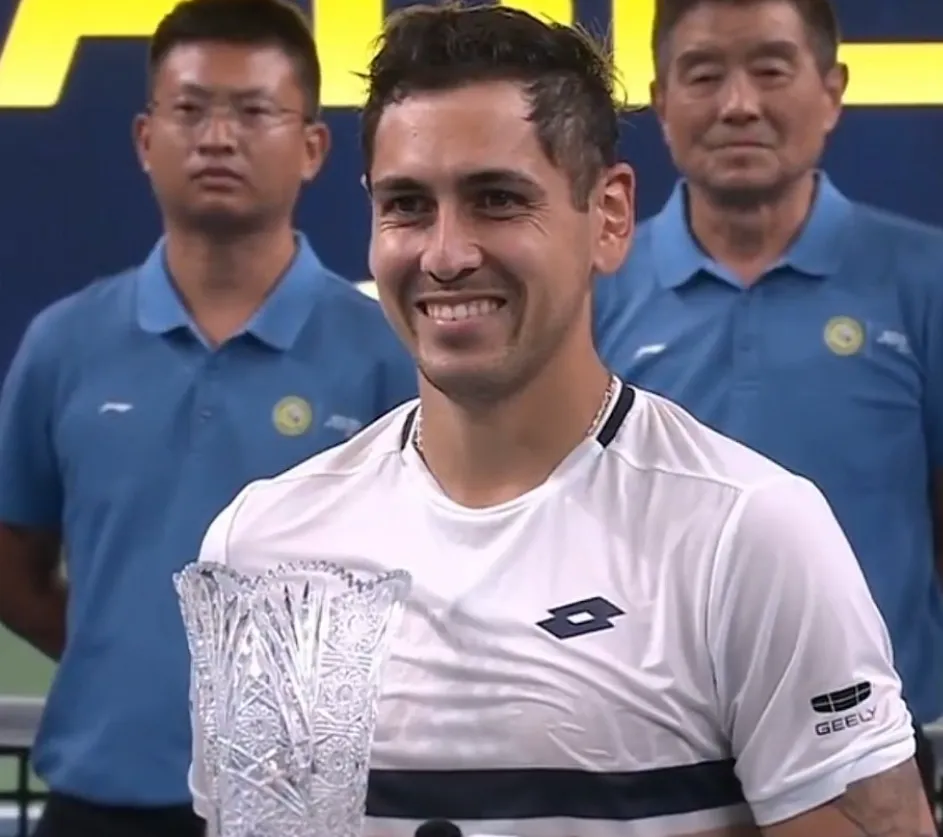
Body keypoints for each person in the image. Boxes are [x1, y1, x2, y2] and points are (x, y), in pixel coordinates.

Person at [190, 4, 935, 836]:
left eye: (497, 199)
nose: (444, 254)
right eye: (406, 205)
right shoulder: (262, 545)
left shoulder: (748, 531)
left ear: (608, 216)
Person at [0, 0, 416, 834]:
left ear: (312, 147)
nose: (218, 137)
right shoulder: (65, 342)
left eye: (254, 110)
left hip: (312, 810)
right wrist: (120, 660)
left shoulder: (384, 351)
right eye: (189, 109)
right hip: (99, 796)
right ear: (145, 139)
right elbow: (13, 562)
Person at [593, 0, 943, 806]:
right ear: (660, 99)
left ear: (831, 91)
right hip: (652, 763)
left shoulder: (923, 279)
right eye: (704, 74)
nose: (738, 103)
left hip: (885, 755)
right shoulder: (593, 286)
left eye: (770, 69)